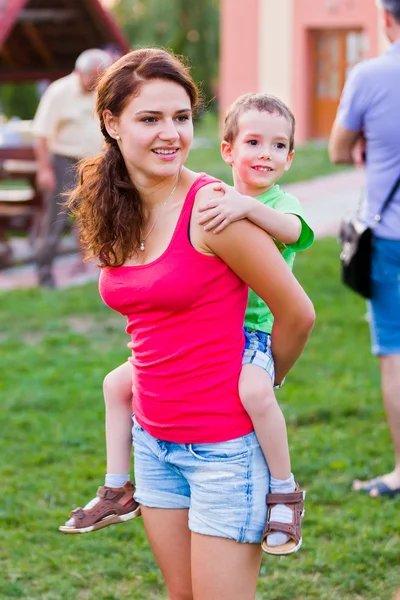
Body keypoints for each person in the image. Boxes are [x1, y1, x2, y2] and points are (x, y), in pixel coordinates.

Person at [62, 48, 315, 598]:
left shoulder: (214, 211)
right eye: (150, 118)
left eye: (180, 117)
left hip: (223, 449)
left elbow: (297, 313)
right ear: (111, 122)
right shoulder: (115, 204)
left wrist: (265, 379)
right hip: (153, 444)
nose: (170, 134)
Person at [329, 0, 400, 498]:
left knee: (395, 355)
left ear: (387, 20)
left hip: (391, 236)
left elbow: (337, 148)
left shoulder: (370, 74)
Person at [32, 48, 114, 288]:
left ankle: (98, 272)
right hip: (63, 161)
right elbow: (41, 135)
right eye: (95, 77)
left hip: (96, 162)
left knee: (96, 216)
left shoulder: (102, 90)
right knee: (56, 219)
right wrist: (44, 169)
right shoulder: (59, 92)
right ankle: (44, 275)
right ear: (80, 72)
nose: (98, 82)